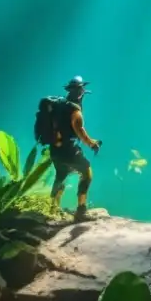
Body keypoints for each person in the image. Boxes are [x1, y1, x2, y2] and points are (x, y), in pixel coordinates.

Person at [47, 76, 102, 222]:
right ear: (78, 91)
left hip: (55, 149)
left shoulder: (58, 105)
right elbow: (80, 131)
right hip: (69, 150)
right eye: (81, 88)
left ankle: (53, 209)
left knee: (61, 176)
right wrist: (92, 144)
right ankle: (81, 210)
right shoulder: (75, 110)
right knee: (87, 172)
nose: (83, 91)